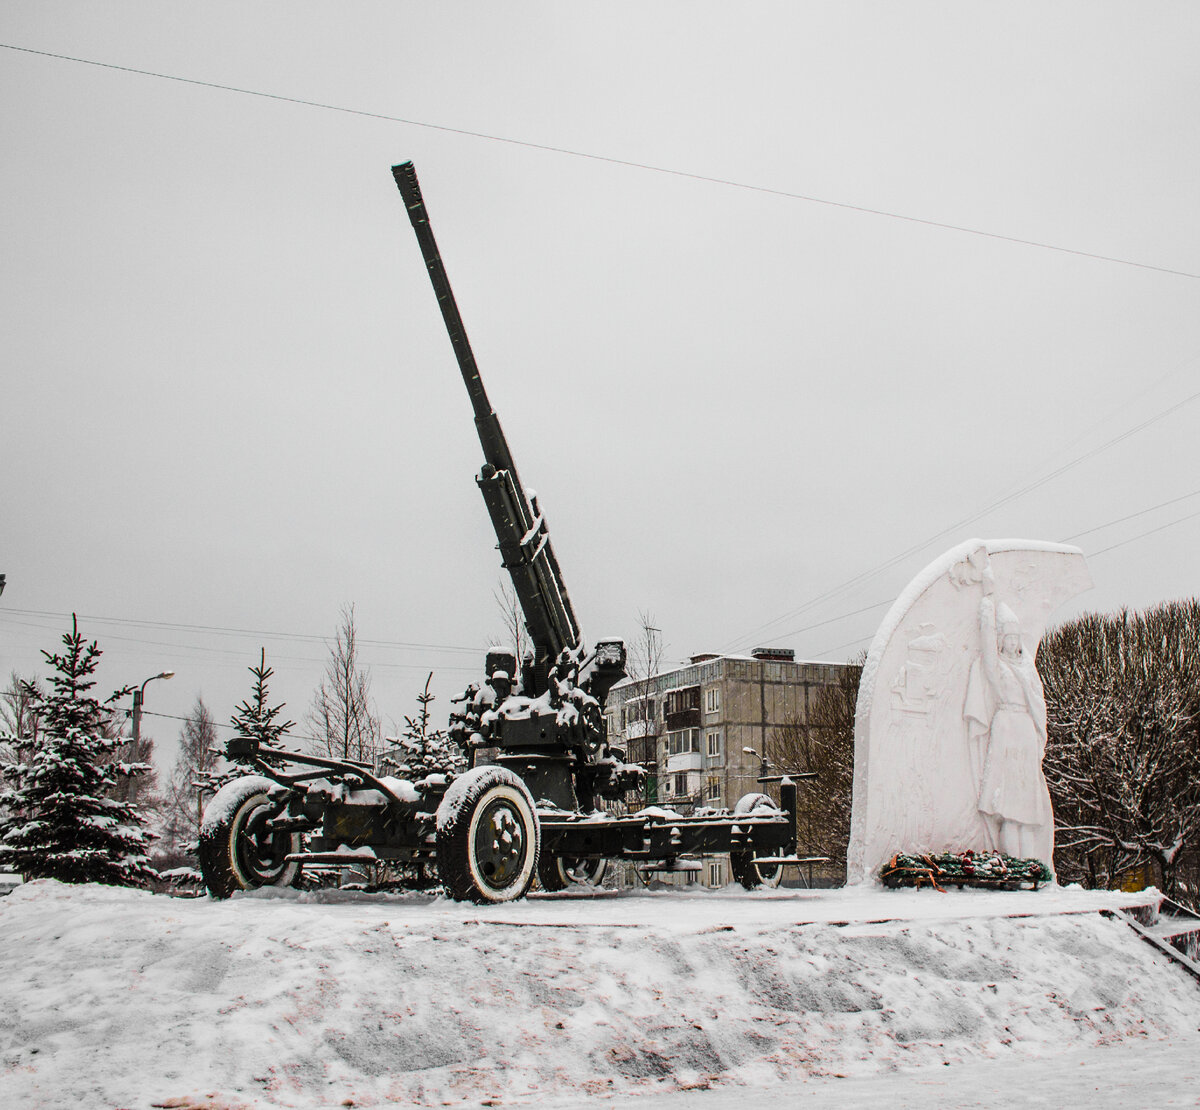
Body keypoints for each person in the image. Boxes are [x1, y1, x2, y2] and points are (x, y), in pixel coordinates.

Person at [963, 573, 1051, 859]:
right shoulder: (997, 667)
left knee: (1026, 810)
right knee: (1008, 806)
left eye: (1016, 638)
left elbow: (1038, 704)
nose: (1012, 644)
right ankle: (1012, 864)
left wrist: (1039, 737)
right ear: (1001, 640)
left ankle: (1031, 865)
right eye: (1007, 638)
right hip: (1006, 728)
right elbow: (987, 648)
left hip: (1025, 731)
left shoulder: (1028, 669)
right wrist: (987, 601)